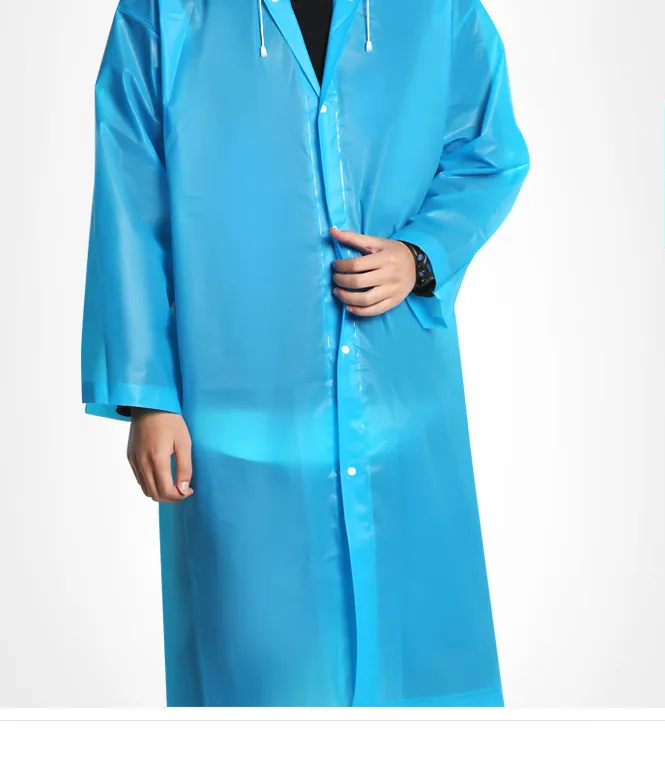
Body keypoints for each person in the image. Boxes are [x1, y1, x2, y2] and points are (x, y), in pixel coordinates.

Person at [81, 0, 530, 707]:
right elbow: (130, 199)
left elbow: (488, 151)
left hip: (400, 417)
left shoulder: (437, 10)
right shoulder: (164, 13)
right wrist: (149, 397)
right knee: (260, 679)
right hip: (242, 429)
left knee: (426, 680)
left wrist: (421, 256)